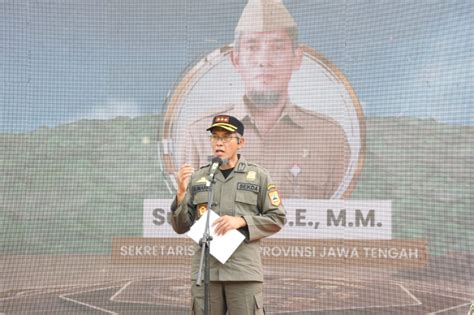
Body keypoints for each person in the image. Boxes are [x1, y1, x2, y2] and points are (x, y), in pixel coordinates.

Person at [182, 0, 351, 199]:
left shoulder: (330, 138)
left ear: (297, 58)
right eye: (252, 47)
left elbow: (342, 220)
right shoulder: (200, 136)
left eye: (277, 48)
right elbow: (184, 220)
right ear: (236, 60)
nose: (264, 60)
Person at [171, 114, 286, 315]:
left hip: (243, 272)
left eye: (226, 137)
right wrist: (180, 194)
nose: (219, 143)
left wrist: (241, 221)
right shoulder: (198, 177)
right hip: (206, 273)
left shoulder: (259, 176)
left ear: (241, 142)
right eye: (215, 137)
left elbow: (277, 218)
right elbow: (181, 226)